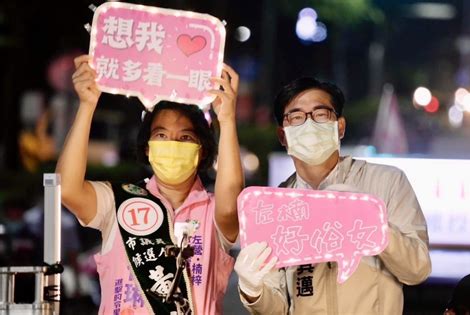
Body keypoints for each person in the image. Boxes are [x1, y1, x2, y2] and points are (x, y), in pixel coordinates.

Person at [56, 54, 243, 314]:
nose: (173, 144)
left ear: (202, 151)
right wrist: (87, 105)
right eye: (162, 135)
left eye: (185, 137)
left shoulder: (215, 212)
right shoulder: (118, 202)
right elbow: (66, 189)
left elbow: (232, 202)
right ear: (147, 148)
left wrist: (228, 121)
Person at [234, 77, 431, 314]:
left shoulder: (386, 182)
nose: (309, 124)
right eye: (296, 117)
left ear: (340, 127)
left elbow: (417, 270)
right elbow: (277, 308)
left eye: (320, 114)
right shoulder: (275, 207)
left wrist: (374, 225)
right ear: (283, 136)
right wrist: (252, 290)